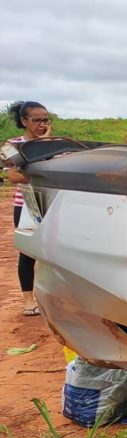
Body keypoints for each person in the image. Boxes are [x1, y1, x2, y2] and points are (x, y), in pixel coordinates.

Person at [5, 101, 51, 316]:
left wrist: (44, 145)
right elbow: (14, 176)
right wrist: (41, 157)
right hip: (28, 203)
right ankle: (28, 300)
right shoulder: (11, 145)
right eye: (37, 120)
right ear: (24, 121)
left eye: (46, 120)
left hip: (52, 202)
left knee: (54, 251)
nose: (42, 125)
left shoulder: (55, 143)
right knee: (28, 253)